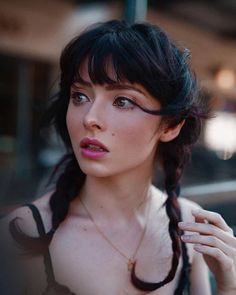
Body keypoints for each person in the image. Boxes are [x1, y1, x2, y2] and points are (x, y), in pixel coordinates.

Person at [1, 19, 236, 295]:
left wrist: (228, 285)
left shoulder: (188, 227)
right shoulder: (22, 234)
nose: (90, 118)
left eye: (122, 101)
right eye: (79, 96)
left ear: (171, 125)